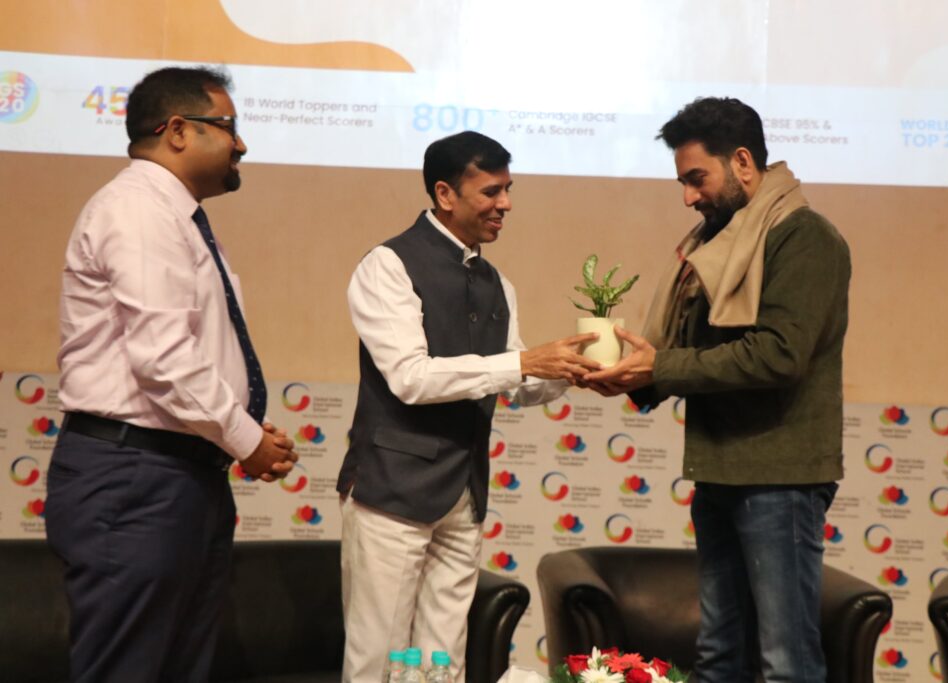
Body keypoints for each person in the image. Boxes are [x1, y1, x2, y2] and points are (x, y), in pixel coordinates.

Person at [585, 97, 851, 683]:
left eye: (696, 178)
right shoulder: (720, 244)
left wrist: (659, 370)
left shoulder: (804, 238)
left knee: (785, 662)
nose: (688, 196)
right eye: (682, 182)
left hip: (780, 479)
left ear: (743, 163)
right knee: (718, 657)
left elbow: (778, 356)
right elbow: (690, 352)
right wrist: (628, 376)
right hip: (721, 470)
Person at [46, 66, 298, 683]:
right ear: (178, 130)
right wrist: (246, 441)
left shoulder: (173, 215)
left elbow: (191, 351)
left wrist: (239, 432)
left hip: (178, 474)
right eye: (229, 127)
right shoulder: (137, 210)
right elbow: (162, 360)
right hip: (135, 479)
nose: (241, 144)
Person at [337, 131, 600, 683]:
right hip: (393, 489)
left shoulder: (496, 282)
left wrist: (577, 370)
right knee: (381, 661)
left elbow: (515, 382)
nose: (505, 204)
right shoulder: (388, 264)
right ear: (444, 193)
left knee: (442, 661)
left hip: (463, 491)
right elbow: (411, 379)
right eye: (491, 191)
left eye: (508, 189)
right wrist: (527, 363)